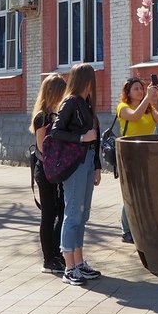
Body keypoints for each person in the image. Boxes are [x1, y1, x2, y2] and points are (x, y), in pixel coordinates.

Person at [51, 63, 102, 286]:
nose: (94, 83)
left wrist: (97, 166)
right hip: (75, 164)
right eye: (91, 78)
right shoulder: (70, 102)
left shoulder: (86, 103)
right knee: (72, 214)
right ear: (85, 80)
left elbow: (96, 137)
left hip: (88, 162)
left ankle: (79, 262)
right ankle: (69, 267)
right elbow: (56, 132)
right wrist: (81, 138)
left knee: (83, 214)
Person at [115, 77, 158, 242]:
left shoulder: (148, 107)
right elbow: (135, 116)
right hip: (130, 154)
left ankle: (143, 226)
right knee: (132, 192)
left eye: (141, 88)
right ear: (128, 92)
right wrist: (148, 97)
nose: (140, 91)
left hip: (148, 153)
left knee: (146, 190)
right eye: (136, 88)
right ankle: (126, 230)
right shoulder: (123, 107)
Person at [29, 74, 68, 275]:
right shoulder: (42, 117)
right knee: (49, 214)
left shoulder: (56, 114)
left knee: (60, 212)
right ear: (54, 92)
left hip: (56, 170)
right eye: (63, 91)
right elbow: (42, 147)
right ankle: (48, 260)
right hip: (45, 171)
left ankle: (57, 254)